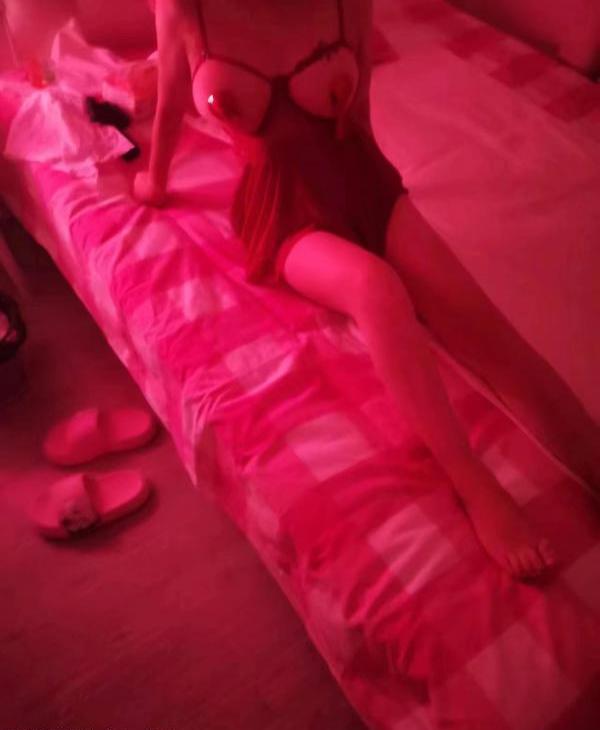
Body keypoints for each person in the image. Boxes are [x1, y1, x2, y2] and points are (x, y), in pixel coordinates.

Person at [134, 0, 600, 580]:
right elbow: (172, 101)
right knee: (376, 290)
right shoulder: (185, 8)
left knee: (488, 328)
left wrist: (385, 204)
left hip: (361, 180)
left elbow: (359, 112)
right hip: (283, 211)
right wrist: (152, 181)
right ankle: (473, 483)